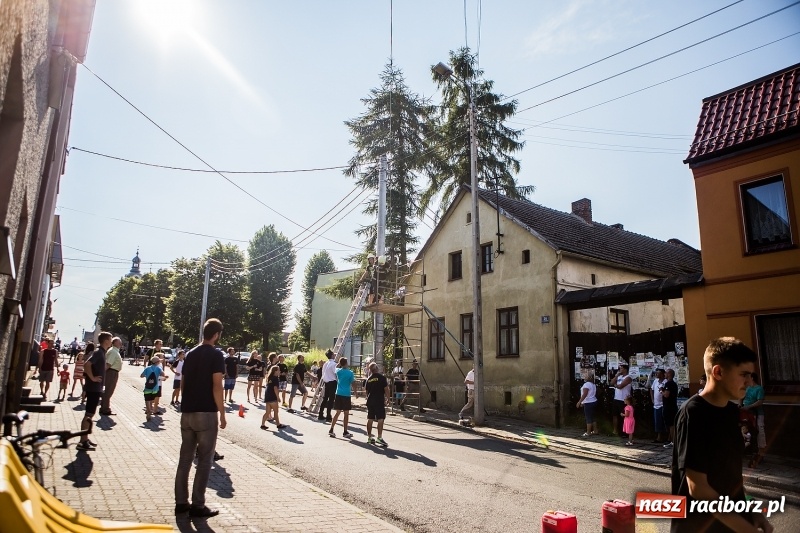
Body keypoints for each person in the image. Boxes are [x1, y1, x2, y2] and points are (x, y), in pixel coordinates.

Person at [671, 337, 773, 533]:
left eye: (750, 375)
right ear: (718, 372)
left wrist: (750, 512)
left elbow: (730, 477)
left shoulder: (731, 411)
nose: (749, 382)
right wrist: (746, 529)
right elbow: (697, 487)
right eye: (743, 375)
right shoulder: (693, 413)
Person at [174, 318, 226, 519]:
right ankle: (197, 505)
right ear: (216, 334)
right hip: (206, 413)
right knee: (205, 460)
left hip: (187, 412)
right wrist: (221, 413)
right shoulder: (216, 355)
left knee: (185, 459)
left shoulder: (190, 354)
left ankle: (181, 503)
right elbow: (217, 386)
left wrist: (185, 404)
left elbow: (184, 382)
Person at [77, 332, 112, 451]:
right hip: (93, 388)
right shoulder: (98, 352)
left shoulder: (102, 352)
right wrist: (92, 378)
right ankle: (82, 442)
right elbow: (87, 365)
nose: (111, 342)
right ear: (106, 341)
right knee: (88, 414)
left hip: (96, 388)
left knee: (90, 415)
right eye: (110, 340)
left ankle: (85, 439)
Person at [741, 373, 766, 467]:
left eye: (748, 377)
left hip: (757, 412)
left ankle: (761, 452)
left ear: (752, 378)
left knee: (760, 430)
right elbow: (742, 397)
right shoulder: (748, 388)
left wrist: (749, 406)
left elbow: (760, 401)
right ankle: (750, 450)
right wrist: (741, 405)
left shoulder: (759, 388)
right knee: (748, 430)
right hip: (747, 412)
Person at [329, 358, 355, 438]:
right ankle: (345, 431)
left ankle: (331, 429)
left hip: (338, 393)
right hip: (346, 394)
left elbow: (336, 367)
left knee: (337, 412)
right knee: (346, 414)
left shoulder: (338, 371)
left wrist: (340, 364)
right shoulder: (350, 373)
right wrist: (356, 392)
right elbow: (353, 383)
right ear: (346, 363)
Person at [365, 362, 390, 446]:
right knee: (380, 419)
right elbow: (386, 389)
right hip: (379, 401)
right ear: (376, 368)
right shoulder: (382, 378)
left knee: (370, 418)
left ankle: (369, 437)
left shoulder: (369, 379)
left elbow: (367, 391)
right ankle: (379, 438)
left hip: (370, 400)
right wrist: (388, 399)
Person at [100, 336, 123, 415]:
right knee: (108, 391)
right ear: (115, 342)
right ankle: (105, 409)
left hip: (113, 372)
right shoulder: (113, 351)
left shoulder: (115, 351)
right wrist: (102, 373)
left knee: (109, 391)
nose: (121, 343)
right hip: (111, 372)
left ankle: (104, 407)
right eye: (119, 341)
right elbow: (108, 364)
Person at [260, 365, 286, 430]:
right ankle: (278, 424)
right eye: (278, 370)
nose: (280, 371)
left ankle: (262, 424)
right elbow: (275, 388)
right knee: (276, 411)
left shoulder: (270, 377)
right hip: (272, 396)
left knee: (267, 412)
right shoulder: (275, 378)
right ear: (275, 371)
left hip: (267, 396)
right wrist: (278, 397)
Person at [610, 363, 633, 437]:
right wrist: (616, 375)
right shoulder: (619, 376)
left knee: (624, 416)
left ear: (625, 369)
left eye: (621, 368)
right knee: (615, 415)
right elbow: (611, 382)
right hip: (616, 398)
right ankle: (615, 431)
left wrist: (616, 385)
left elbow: (620, 386)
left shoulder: (628, 377)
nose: (620, 369)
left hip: (624, 399)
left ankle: (625, 432)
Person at [142, 355, 163, 421]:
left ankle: (148, 411)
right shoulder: (158, 368)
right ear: (157, 362)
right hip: (155, 388)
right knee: (152, 399)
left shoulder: (147, 368)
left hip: (147, 388)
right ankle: (151, 409)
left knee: (147, 400)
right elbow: (163, 374)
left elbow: (141, 375)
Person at [318, 349, 337, 422]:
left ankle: (320, 413)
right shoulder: (334, 364)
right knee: (331, 399)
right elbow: (335, 373)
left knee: (325, 398)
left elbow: (323, 374)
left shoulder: (325, 364)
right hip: (332, 382)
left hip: (326, 382)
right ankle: (328, 415)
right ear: (332, 355)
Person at [576, 371, 597, 436]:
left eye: (586, 375)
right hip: (593, 401)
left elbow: (585, 394)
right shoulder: (593, 384)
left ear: (589, 377)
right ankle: (595, 430)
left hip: (588, 403)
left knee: (588, 417)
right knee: (593, 417)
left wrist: (580, 402)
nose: (584, 376)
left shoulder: (586, 384)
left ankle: (588, 432)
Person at [662, 368, 679, 448]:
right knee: (671, 424)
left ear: (669, 374)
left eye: (665, 373)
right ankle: (671, 440)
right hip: (672, 406)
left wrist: (661, 391)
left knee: (671, 424)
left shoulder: (669, 384)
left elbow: (666, 395)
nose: (664, 374)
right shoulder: (673, 384)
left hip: (669, 407)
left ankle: (673, 442)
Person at [650, 368, 667, 443]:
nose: (657, 374)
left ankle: (665, 437)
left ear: (663, 374)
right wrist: (652, 399)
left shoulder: (666, 382)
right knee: (657, 421)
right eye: (656, 373)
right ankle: (659, 437)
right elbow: (651, 389)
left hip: (663, 404)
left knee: (664, 421)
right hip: (656, 404)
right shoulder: (655, 381)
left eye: (658, 373)